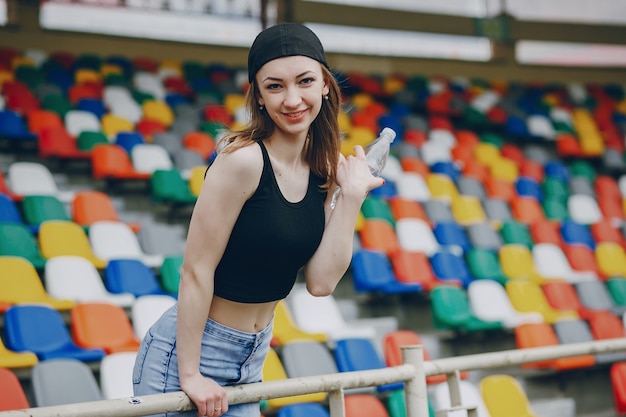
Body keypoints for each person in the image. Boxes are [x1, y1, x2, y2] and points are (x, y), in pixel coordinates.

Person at [132, 22, 385, 417]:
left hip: (253, 355)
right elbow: (196, 270)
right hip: (194, 352)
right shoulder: (242, 161)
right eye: (275, 86)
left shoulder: (324, 166)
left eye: (304, 81)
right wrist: (191, 373)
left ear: (324, 84)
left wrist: (350, 197)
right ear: (259, 97)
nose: (292, 99)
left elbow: (321, 283)